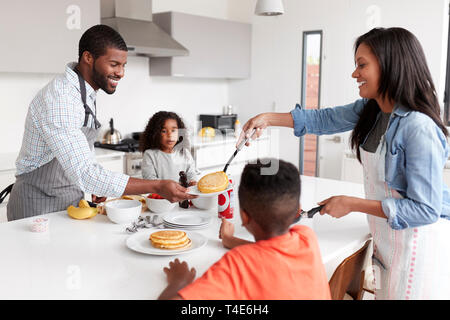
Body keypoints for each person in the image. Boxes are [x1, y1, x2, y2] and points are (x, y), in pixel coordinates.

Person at [238, 27, 450, 299]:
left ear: (390, 65)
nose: (355, 74)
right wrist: (267, 118)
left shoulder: (418, 127)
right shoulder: (373, 110)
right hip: (387, 239)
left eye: (362, 65)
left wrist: (350, 204)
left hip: (418, 247)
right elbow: (324, 119)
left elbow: (425, 209)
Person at [6, 25, 195, 221]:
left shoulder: (84, 92)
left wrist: (99, 185)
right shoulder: (61, 98)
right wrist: (157, 186)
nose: (121, 73)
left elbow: (81, 151)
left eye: (123, 65)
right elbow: (85, 173)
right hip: (37, 205)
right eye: (114, 64)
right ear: (88, 58)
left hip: (70, 200)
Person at [158, 159, 331, 300]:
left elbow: (261, 256)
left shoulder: (236, 264)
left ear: (244, 216)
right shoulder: (307, 238)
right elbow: (273, 253)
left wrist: (178, 282)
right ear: (297, 211)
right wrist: (230, 240)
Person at [139, 111, 200, 186]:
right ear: (155, 133)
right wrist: (172, 186)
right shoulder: (150, 155)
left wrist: (192, 181)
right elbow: (150, 180)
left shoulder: (184, 152)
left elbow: (191, 173)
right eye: (164, 131)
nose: (170, 135)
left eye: (173, 130)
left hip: (183, 196)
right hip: (160, 196)